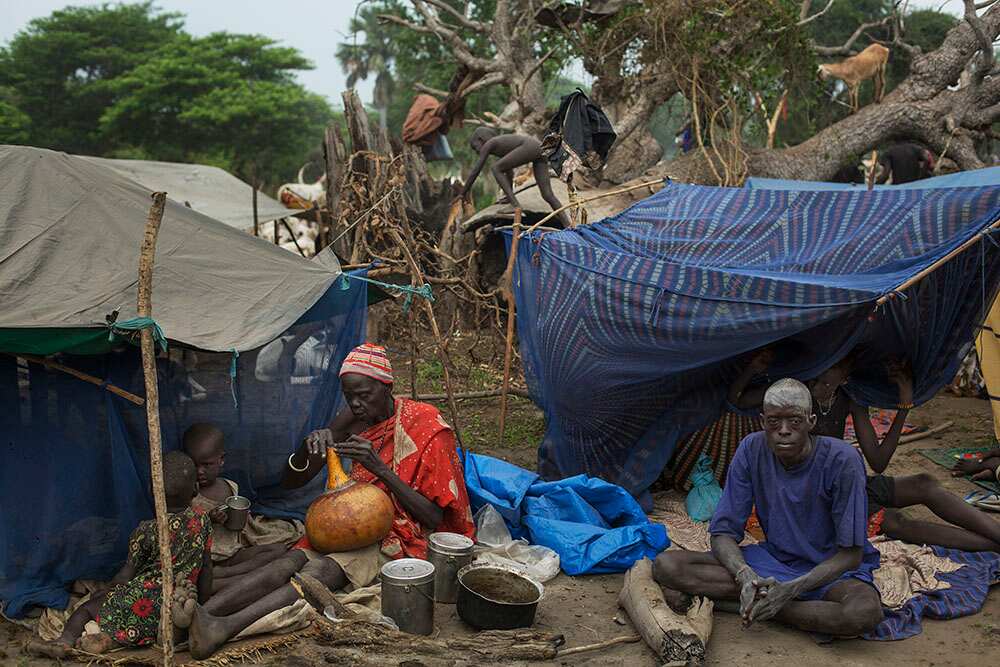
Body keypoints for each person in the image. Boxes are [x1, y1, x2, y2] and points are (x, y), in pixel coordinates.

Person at [184, 343, 475, 659]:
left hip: (400, 538)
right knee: (288, 560)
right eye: (349, 395)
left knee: (319, 572)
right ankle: (201, 613)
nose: (356, 403)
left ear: (387, 387)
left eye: (364, 394)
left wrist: (379, 468)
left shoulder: (427, 425)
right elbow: (292, 479)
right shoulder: (351, 419)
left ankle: (223, 628)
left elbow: (433, 518)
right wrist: (310, 449)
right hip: (352, 521)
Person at [654, 379, 884, 637]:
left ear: (812, 422)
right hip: (772, 562)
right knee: (667, 566)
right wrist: (744, 575)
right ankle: (771, 602)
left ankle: (761, 606)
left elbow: (850, 555)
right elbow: (722, 534)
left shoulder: (843, 460)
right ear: (763, 422)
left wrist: (790, 591)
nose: (783, 430)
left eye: (795, 421)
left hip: (828, 570)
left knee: (862, 614)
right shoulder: (751, 449)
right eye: (774, 421)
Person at [730, 349, 1000, 552]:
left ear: (846, 377)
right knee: (897, 523)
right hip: (811, 497)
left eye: (832, 370)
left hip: (845, 483)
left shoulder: (850, 400)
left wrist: (905, 405)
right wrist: (752, 369)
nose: (819, 381)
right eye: (819, 372)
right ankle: (992, 546)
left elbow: (878, 461)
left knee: (924, 483)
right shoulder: (794, 398)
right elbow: (736, 401)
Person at [29, 452, 212, 657]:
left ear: (153, 491)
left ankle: (64, 641)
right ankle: (114, 639)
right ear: (195, 489)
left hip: (141, 600)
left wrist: (106, 591)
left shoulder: (146, 530)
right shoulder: (202, 522)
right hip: (173, 601)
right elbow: (206, 568)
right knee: (149, 621)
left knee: (87, 609)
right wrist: (201, 605)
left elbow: (125, 576)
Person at [183, 424, 297, 589]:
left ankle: (226, 576)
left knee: (278, 550)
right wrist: (208, 519)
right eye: (194, 465)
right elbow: (182, 526)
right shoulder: (190, 494)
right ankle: (228, 577)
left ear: (221, 460)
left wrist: (239, 516)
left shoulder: (230, 486)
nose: (200, 471)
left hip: (234, 549)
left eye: (207, 465)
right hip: (209, 556)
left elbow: (238, 526)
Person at [461, 127, 570, 228]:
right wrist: (509, 195)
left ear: (481, 140)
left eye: (475, 147)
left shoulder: (490, 143)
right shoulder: (501, 146)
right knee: (547, 194)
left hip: (530, 146)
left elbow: (476, 169)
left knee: (495, 168)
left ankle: (515, 205)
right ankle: (568, 225)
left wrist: (463, 192)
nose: (477, 152)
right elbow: (509, 172)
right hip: (539, 148)